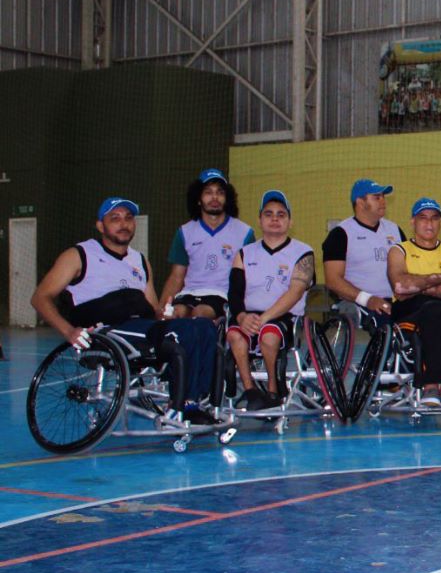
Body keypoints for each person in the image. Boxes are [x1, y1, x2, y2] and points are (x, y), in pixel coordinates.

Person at [29, 197, 221, 424]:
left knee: (204, 327)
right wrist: (69, 332)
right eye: (115, 218)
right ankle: (181, 405)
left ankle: (199, 400)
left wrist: (164, 313)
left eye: (129, 218)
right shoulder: (79, 255)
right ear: (100, 225)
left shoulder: (139, 260)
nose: (124, 223)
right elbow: (40, 297)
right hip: (107, 331)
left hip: (142, 327)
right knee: (179, 335)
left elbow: (152, 311)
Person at [226, 191, 314, 410]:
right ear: (260, 220)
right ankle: (251, 391)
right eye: (269, 214)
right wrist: (242, 316)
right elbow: (234, 293)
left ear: (290, 221)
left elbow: (295, 292)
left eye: (281, 214)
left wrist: (263, 318)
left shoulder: (304, 252)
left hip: (284, 317)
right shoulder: (244, 253)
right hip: (249, 316)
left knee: (269, 334)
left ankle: (274, 390)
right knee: (235, 334)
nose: (275, 218)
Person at [387, 197, 441, 406]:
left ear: (440, 223)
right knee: (432, 311)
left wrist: (420, 283)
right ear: (412, 222)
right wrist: (440, 279)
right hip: (409, 313)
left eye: (434, 218)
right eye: (423, 218)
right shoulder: (399, 250)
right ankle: (430, 384)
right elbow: (400, 287)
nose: (429, 223)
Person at [159, 168, 256, 320]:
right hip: (188, 294)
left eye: (220, 192)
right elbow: (176, 277)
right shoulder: (185, 232)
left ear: (227, 197)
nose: (215, 197)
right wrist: (162, 309)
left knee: (200, 314)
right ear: (198, 198)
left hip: (221, 296)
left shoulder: (244, 232)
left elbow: (249, 277)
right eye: (208, 192)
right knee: (175, 313)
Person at [322, 179, 405, 323]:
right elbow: (332, 280)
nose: (383, 201)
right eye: (377, 198)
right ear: (360, 202)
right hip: (359, 303)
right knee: (388, 321)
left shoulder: (395, 230)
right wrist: (368, 299)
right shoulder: (341, 234)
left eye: (383, 197)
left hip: (396, 300)